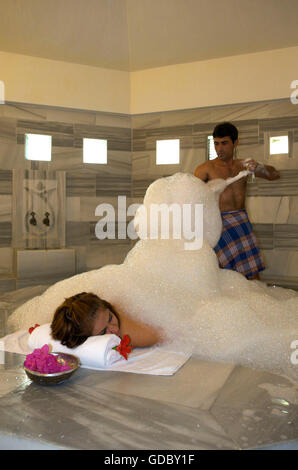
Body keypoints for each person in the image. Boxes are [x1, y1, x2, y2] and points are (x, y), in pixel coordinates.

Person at [194, 122, 280, 280]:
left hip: (241, 221)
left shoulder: (244, 165)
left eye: (224, 143)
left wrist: (259, 167)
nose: (220, 148)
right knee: (222, 274)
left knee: (252, 273)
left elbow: (274, 175)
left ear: (235, 142)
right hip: (218, 225)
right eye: (216, 143)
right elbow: (191, 197)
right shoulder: (205, 169)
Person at [51, 292, 163, 349]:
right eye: (103, 331)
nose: (115, 328)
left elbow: (158, 336)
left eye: (110, 317)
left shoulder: (126, 327)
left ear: (107, 307)